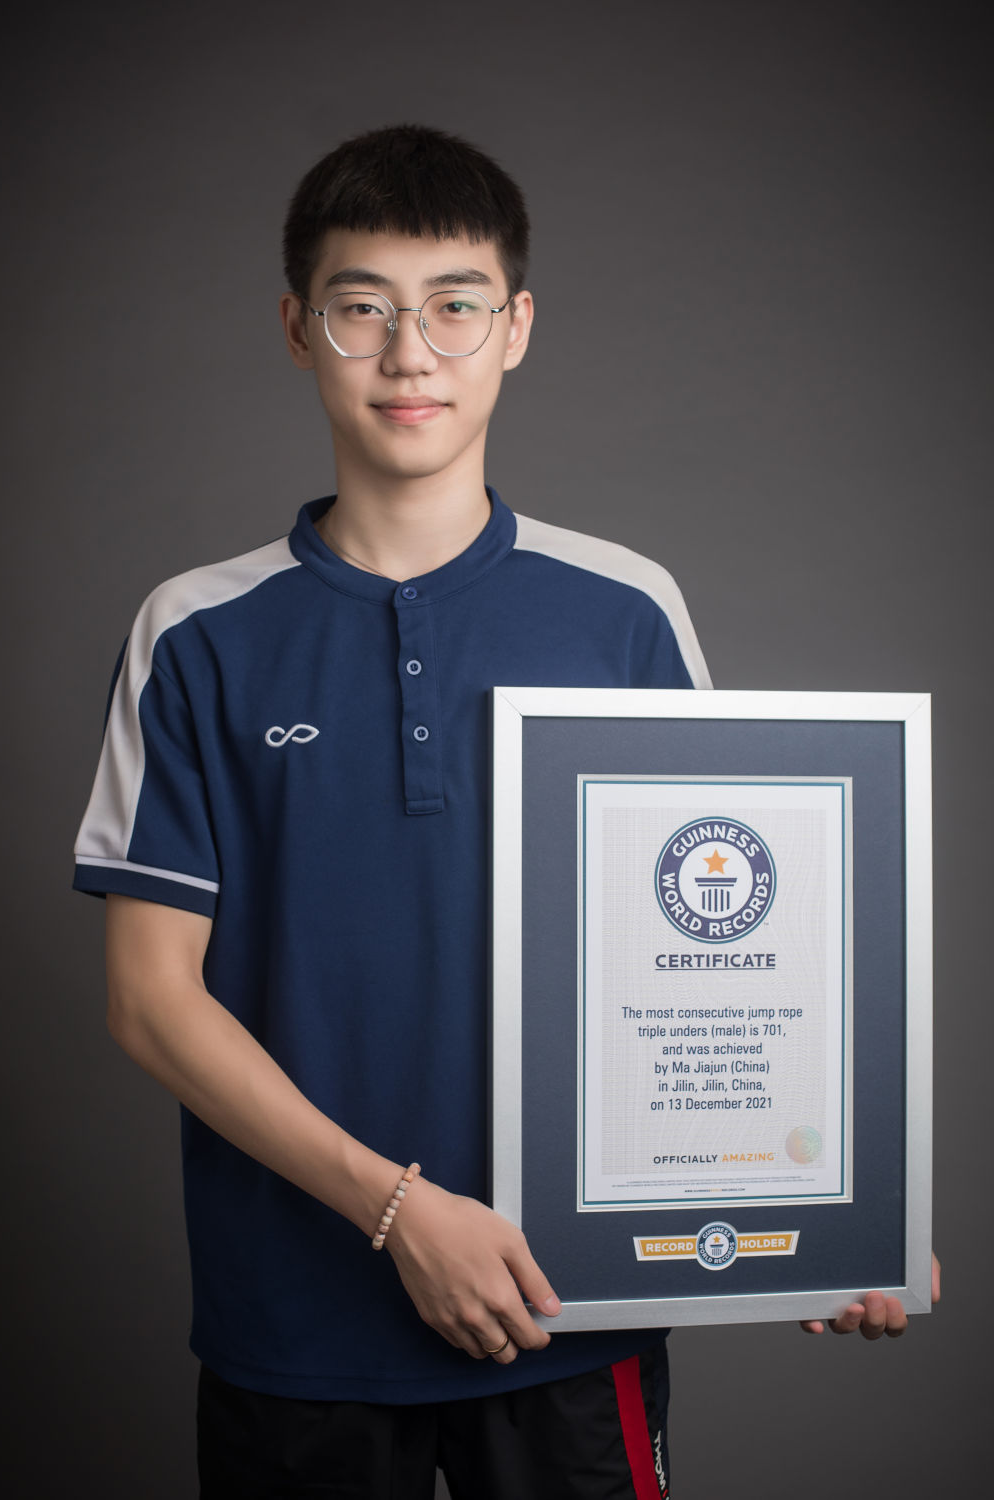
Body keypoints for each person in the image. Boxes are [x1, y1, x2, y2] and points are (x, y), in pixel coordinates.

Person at [73, 125, 936, 1500]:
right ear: (298, 330)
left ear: (516, 327)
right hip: (293, 1326)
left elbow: (725, 950)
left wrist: (824, 1216)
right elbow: (149, 1000)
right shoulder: (194, 633)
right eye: (364, 308)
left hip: (570, 1310)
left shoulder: (624, 611)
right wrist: (399, 1211)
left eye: (455, 307)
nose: (410, 354)